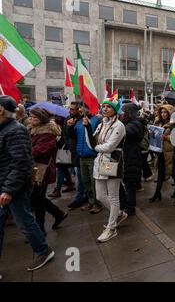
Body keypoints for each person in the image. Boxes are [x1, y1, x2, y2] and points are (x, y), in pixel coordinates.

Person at [0, 96, 55, 273]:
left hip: (14, 187)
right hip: (5, 184)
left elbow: (22, 162)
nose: (31, 119)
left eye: (34, 117)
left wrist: (9, 189)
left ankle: (43, 250)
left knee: (25, 221)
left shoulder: (16, 130)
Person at [87, 98, 127, 243]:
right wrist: (86, 127)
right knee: (100, 196)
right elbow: (93, 140)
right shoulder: (101, 123)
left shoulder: (119, 125)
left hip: (112, 161)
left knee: (113, 196)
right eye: (103, 106)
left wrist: (96, 148)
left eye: (108, 107)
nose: (105, 109)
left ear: (115, 109)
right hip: (100, 161)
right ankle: (119, 214)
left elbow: (109, 147)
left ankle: (111, 228)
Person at [28, 108, 68, 236]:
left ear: (41, 119)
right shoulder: (33, 130)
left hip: (41, 170)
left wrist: (23, 150)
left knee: (36, 199)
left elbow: (39, 152)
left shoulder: (47, 133)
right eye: (30, 116)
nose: (30, 119)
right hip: (35, 168)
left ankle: (40, 229)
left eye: (33, 117)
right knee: (37, 198)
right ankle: (58, 214)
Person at [66, 103, 101, 212]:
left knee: (94, 181)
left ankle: (97, 203)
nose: (82, 113)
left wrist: (88, 125)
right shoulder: (79, 121)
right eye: (80, 111)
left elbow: (96, 137)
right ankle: (90, 201)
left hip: (92, 155)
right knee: (85, 181)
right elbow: (72, 136)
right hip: (81, 155)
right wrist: (70, 127)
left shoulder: (97, 120)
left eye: (84, 110)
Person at [148, 104, 175, 202]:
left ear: (170, 113)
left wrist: (166, 137)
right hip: (160, 152)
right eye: (162, 112)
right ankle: (157, 193)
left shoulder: (174, 124)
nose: (163, 114)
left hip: (169, 152)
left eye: (165, 112)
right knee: (160, 173)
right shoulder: (158, 122)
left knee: (173, 172)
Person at [120, 103, 144, 216]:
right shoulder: (131, 123)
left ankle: (130, 207)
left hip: (131, 156)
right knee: (128, 181)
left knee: (129, 182)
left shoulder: (133, 124)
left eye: (124, 112)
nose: (121, 114)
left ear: (129, 113)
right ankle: (127, 204)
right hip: (129, 155)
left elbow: (124, 135)